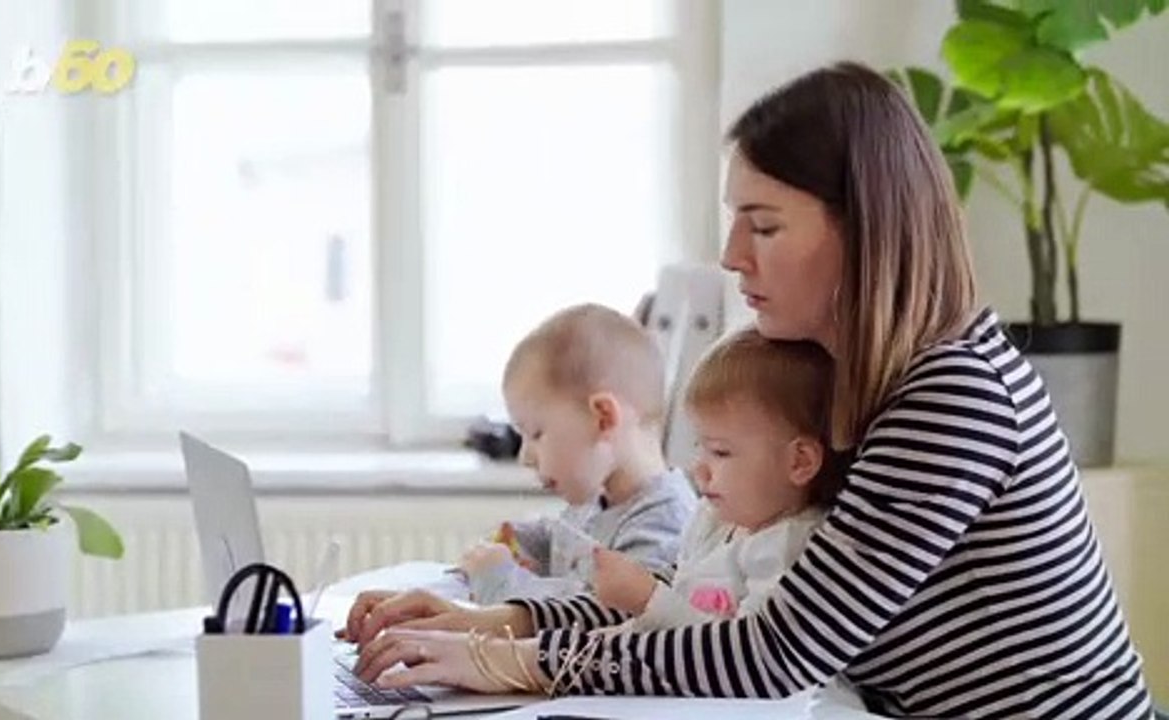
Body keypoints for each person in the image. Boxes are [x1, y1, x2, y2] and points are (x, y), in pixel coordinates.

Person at [341, 62, 1153, 718]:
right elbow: (706, 599)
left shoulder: (953, 395)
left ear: (867, 228)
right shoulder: (838, 378)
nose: (732, 255)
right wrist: (500, 622)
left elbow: (775, 648)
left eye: (763, 225)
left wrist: (508, 662)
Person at [589, 328, 840, 632]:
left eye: (720, 452)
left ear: (799, 462)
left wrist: (649, 599)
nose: (699, 469)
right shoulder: (714, 521)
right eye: (700, 447)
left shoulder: (790, 550)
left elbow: (739, 656)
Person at [457, 302, 697, 604]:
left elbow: (590, 617)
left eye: (536, 434)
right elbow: (562, 537)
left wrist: (500, 579)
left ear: (603, 417)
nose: (526, 457)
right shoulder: (600, 499)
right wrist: (519, 538)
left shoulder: (663, 529)